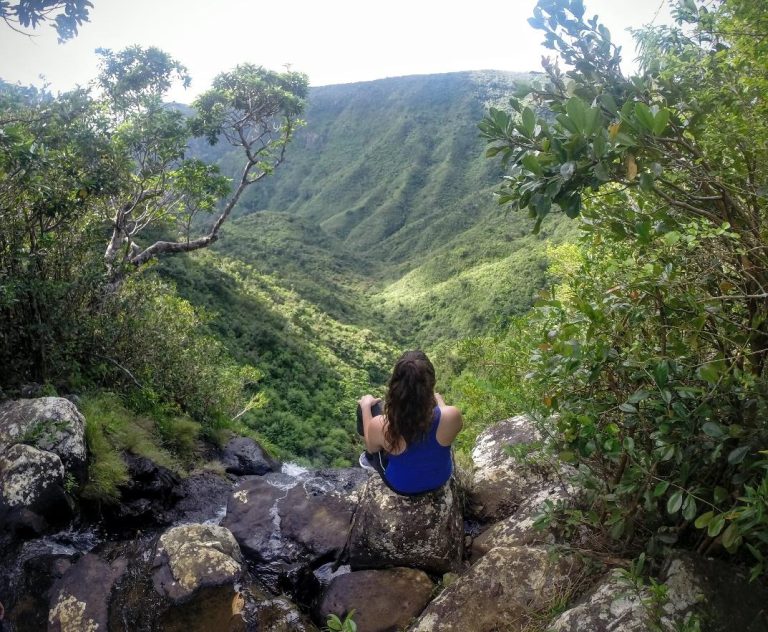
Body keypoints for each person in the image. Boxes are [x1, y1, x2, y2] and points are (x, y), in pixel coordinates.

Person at [357, 350, 462, 495]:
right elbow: (438, 412)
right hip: (439, 479)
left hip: (402, 486)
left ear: (395, 386)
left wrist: (365, 407)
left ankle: (369, 461)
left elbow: (371, 447)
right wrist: (439, 401)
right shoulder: (452, 415)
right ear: (431, 384)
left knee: (372, 408)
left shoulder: (382, 425)